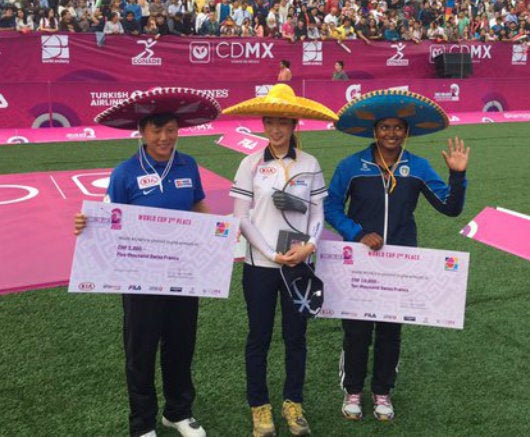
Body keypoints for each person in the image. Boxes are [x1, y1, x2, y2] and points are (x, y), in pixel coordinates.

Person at [73, 88, 222, 437]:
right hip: (139, 277)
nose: (164, 137)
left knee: (181, 345)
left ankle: (178, 412)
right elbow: (110, 219)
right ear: (142, 132)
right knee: (141, 352)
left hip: (184, 273)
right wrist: (86, 223)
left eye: (170, 129)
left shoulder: (188, 165)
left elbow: (198, 206)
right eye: (156, 131)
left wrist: (215, 236)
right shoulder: (125, 173)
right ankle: (142, 423)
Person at [325, 89, 470, 423]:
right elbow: (331, 205)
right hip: (360, 262)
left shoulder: (418, 166)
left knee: (390, 332)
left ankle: (382, 392)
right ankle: (353, 390)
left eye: (398, 128)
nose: (391, 134)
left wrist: (457, 176)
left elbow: (450, 208)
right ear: (374, 130)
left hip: (401, 267)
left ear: (407, 131)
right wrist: (357, 232)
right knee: (357, 331)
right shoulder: (351, 166)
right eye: (384, 127)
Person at [222, 84, 339, 437]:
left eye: (283, 122)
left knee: (296, 337)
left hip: (299, 266)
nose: (276, 129)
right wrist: (271, 254)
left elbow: (318, 210)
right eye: (270, 121)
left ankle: (293, 404)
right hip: (260, 267)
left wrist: (310, 246)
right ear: (263, 122)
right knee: (258, 337)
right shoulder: (250, 164)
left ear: (294, 124)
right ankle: (260, 408)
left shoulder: (310, 163)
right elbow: (240, 217)